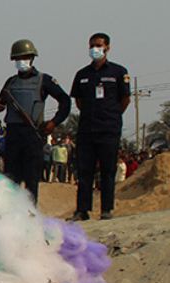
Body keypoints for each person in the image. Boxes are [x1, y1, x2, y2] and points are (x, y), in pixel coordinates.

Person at [0, 39, 71, 203]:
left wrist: (53, 122)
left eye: (25, 57)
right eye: (18, 58)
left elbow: (65, 101)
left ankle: (30, 215)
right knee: (11, 180)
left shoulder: (44, 80)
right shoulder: (11, 82)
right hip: (13, 135)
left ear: (32, 58)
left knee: (32, 180)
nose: (22, 61)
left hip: (32, 135)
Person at [69, 33, 131, 221]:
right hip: (87, 129)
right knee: (85, 171)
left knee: (108, 171)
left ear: (107, 48)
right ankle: (82, 210)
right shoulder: (82, 75)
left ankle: (106, 209)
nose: (94, 49)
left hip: (109, 129)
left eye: (98, 45)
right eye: (92, 45)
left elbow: (125, 99)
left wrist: (110, 115)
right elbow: (78, 101)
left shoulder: (119, 72)